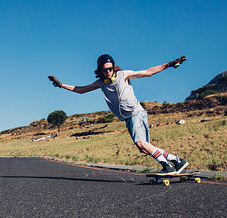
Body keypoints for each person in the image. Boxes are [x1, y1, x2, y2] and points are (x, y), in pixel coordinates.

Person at [48, 54, 189, 175]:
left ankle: (167, 166)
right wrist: (61, 85)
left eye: (110, 69)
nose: (108, 72)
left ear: (113, 67)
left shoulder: (123, 74)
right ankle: (178, 161)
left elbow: (148, 72)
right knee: (144, 148)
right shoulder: (100, 83)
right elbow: (81, 89)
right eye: (105, 70)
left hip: (136, 113)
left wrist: (170, 64)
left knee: (142, 143)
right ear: (100, 70)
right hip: (127, 118)